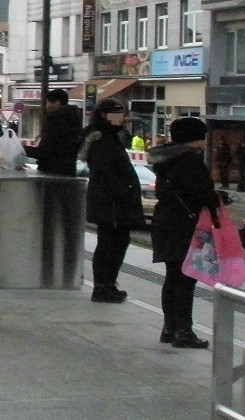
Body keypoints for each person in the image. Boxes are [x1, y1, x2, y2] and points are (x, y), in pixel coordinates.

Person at [148, 118, 218, 349]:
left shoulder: (167, 159)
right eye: (203, 136)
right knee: (185, 280)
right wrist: (218, 198)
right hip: (183, 225)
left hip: (166, 222)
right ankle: (183, 331)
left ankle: (169, 328)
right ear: (194, 138)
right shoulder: (188, 161)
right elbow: (201, 193)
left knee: (173, 277)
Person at [79, 99, 144, 303]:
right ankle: (102, 287)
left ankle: (107, 284)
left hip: (111, 201)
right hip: (111, 203)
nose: (121, 117)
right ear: (104, 115)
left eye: (121, 113)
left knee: (114, 243)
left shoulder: (109, 137)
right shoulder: (102, 139)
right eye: (116, 113)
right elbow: (105, 172)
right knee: (110, 245)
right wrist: (123, 191)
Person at [22, 88, 83, 176]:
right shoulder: (74, 120)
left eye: (48, 102)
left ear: (57, 103)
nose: (46, 106)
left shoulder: (55, 121)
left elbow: (46, 151)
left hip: (51, 172)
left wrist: (23, 149)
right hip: (68, 171)